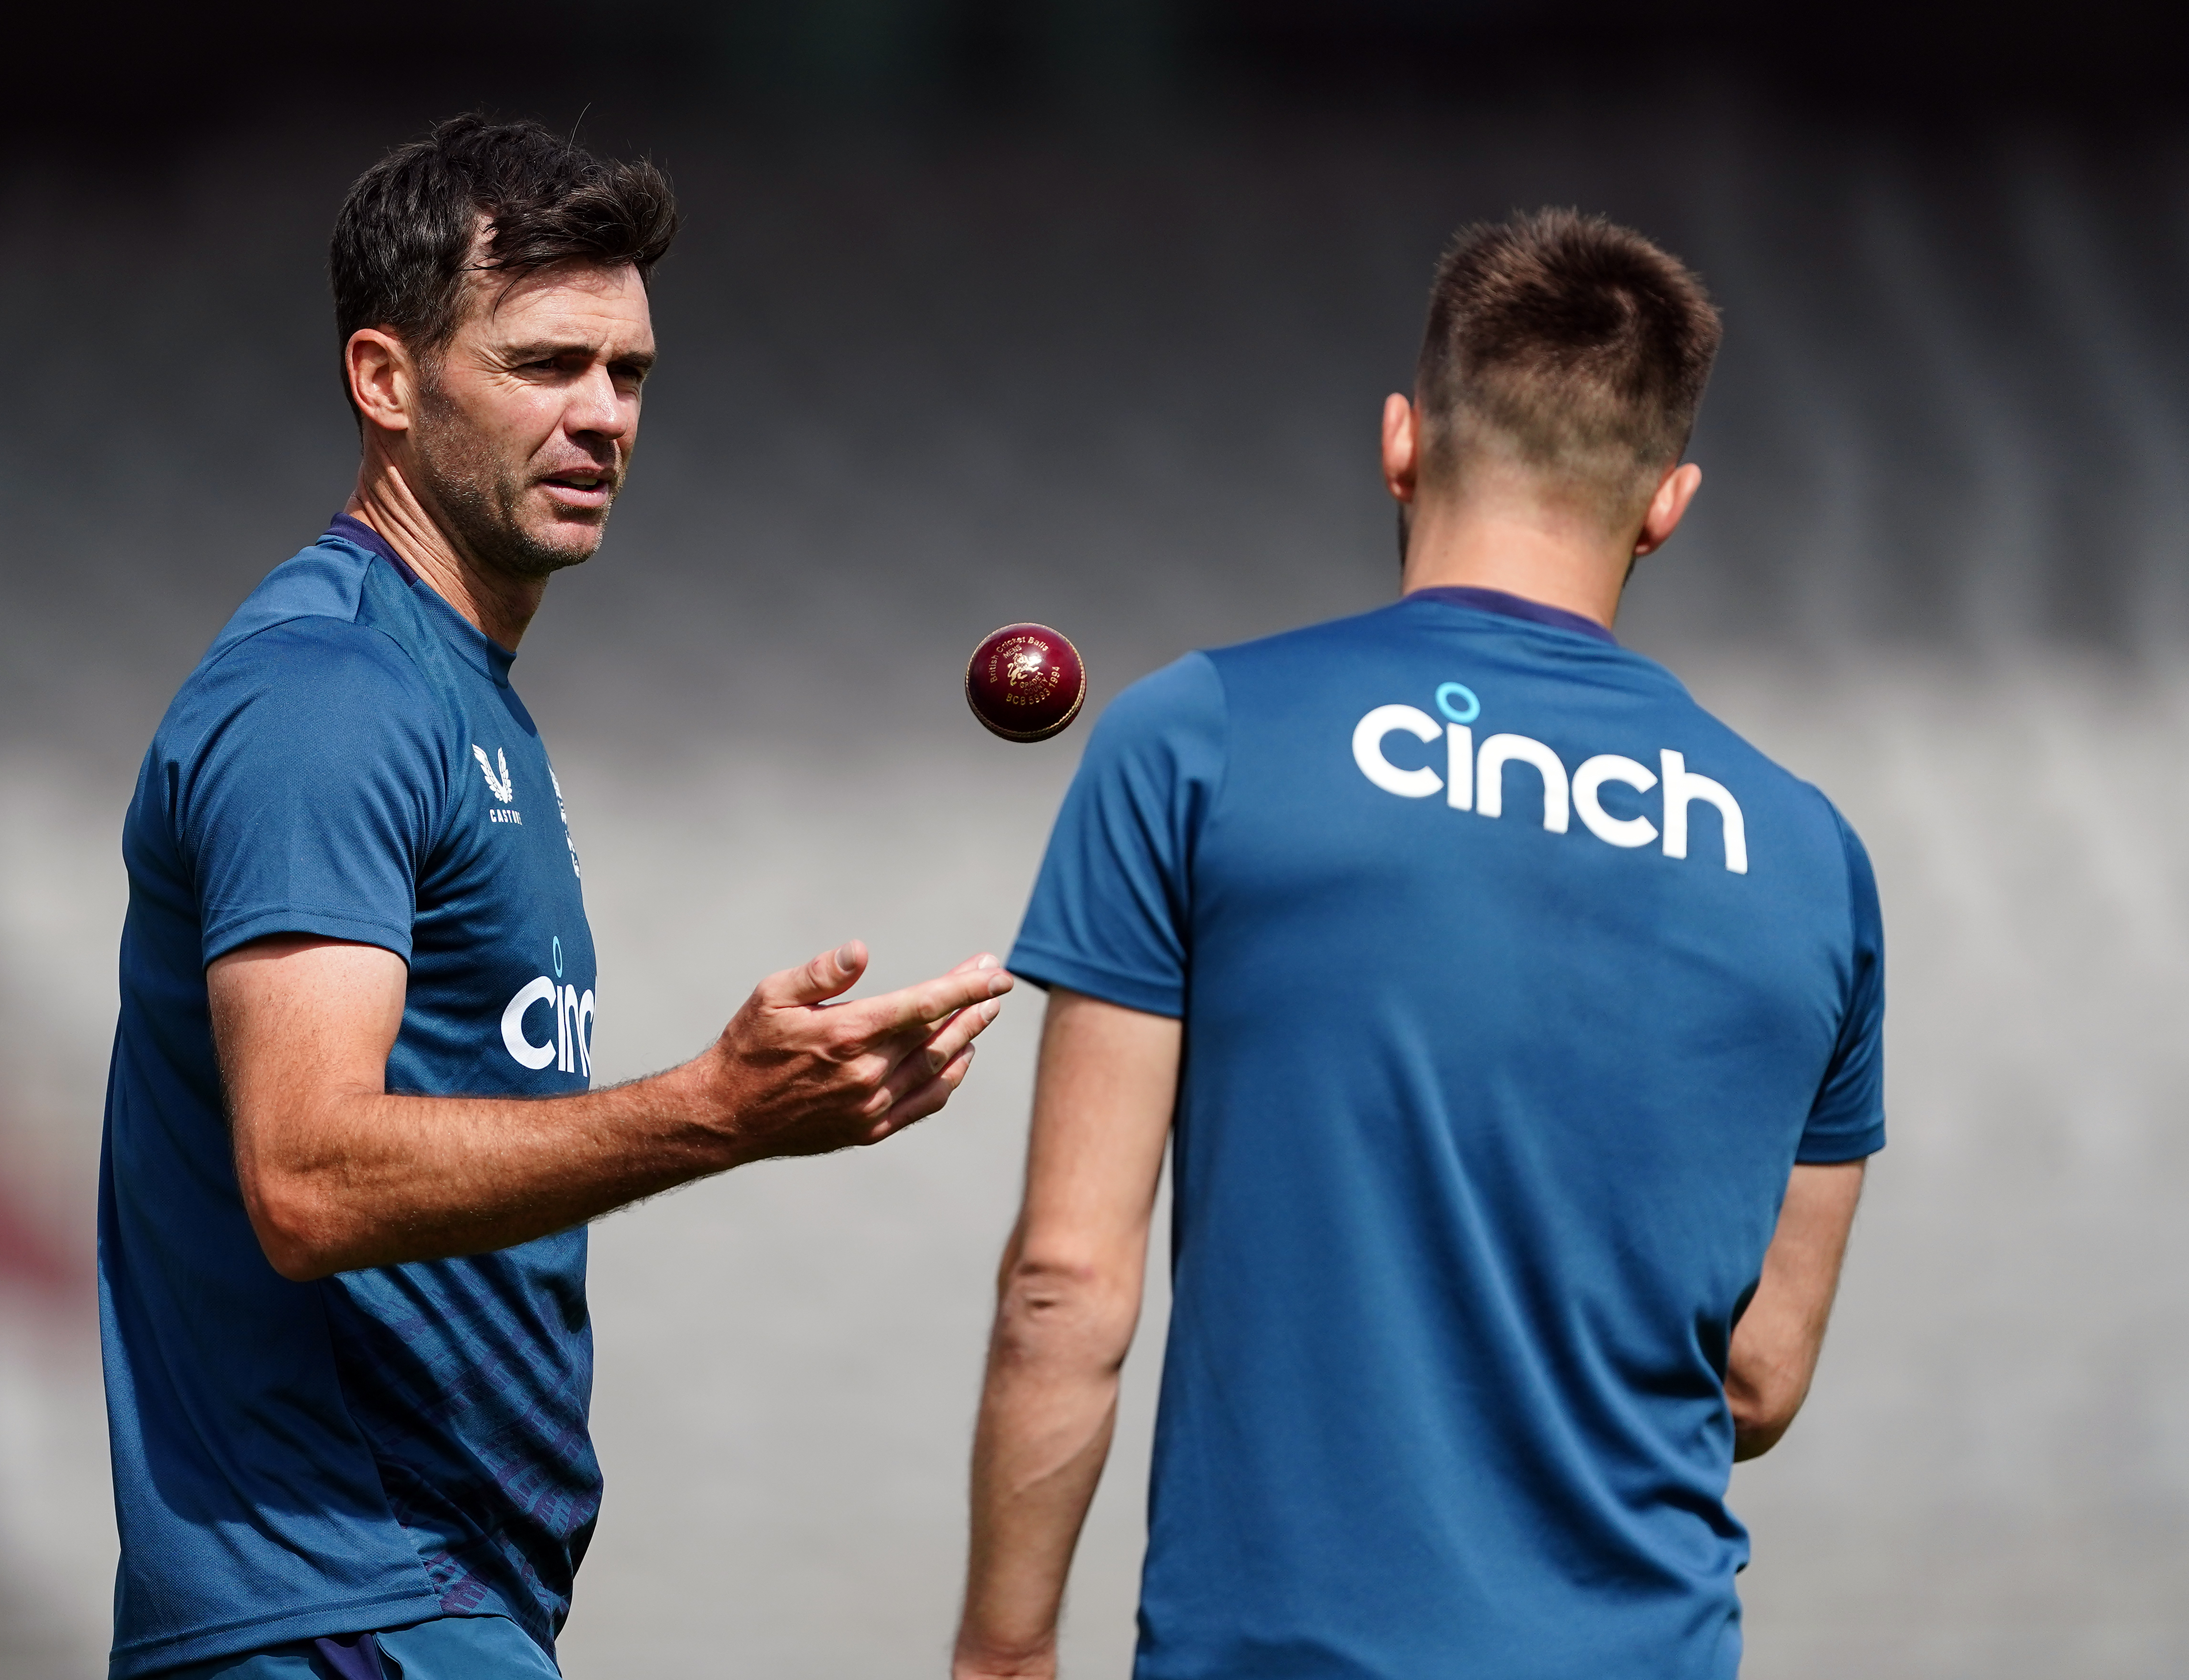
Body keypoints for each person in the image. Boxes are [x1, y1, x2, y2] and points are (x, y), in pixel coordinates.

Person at [99, 115, 1013, 1680]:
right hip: (349, 1594)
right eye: (543, 364)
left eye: (629, 373)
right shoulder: (330, 695)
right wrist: (718, 1109)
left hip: (419, 1600)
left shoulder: (457, 694)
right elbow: (306, 1178)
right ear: (385, 380)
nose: (602, 416)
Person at [953, 209, 1881, 1679]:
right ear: (1668, 503)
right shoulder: (1813, 856)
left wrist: (1001, 1653)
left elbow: (1065, 1288)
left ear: (1401, 439)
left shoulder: (1202, 741)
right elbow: (1761, 1374)